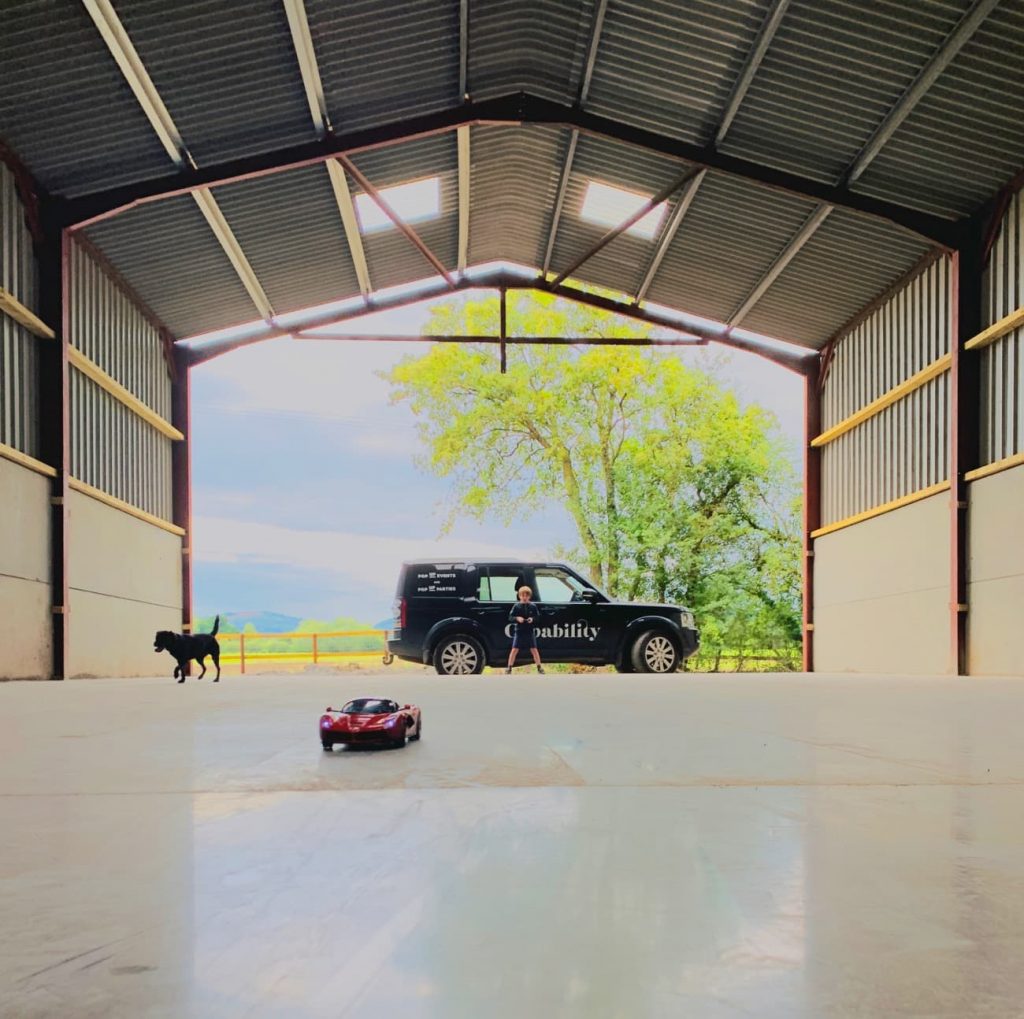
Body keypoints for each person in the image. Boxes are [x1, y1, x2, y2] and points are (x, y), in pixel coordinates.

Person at [506, 585, 545, 674]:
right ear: (519, 596)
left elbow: (537, 617)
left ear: (529, 596)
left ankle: (539, 667)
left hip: (529, 630)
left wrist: (532, 619)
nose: (524, 597)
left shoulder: (533, 606)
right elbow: (510, 617)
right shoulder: (516, 606)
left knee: (534, 649)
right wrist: (517, 618)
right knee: (514, 649)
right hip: (519, 630)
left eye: (526, 596)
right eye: (522, 595)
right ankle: (509, 667)